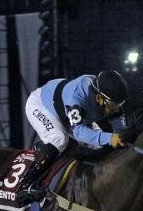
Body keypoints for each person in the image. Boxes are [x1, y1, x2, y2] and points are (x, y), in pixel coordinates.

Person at [17, 70, 129, 201]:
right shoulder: (76, 97)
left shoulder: (105, 95)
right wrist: (111, 138)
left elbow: (119, 127)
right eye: (113, 106)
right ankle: (26, 185)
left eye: (118, 105)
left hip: (64, 110)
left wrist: (124, 136)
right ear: (99, 97)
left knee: (97, 145)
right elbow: (79, 132)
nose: (116, 109)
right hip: (41, 105)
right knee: (59, 138)